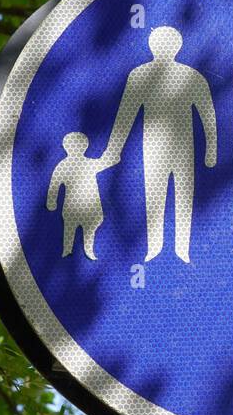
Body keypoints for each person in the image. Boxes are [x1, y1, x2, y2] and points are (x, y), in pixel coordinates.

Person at [100, 26, 217, 262]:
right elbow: (125, 116)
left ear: (177, 47)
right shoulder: (140, 76)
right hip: (153, 146)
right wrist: (113, 150)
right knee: (155, 197)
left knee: (183, 196)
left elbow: (208, 115)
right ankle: (154, 248)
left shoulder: (191, 76)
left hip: (183, 146)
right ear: (153, 46)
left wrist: (212, 149)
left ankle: (182, 249)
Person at [47, 132, 105, 260]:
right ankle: (67, 249)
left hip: (90, 206)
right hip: (71, 207)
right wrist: (51, 201)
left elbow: (104, 162)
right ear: (67, 147)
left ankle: (88, 250)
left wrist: (111, 156)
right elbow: (54, 184)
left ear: (85, 146)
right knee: (70, 228)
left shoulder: (89, 163)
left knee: (89, 229)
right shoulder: (63, 165)